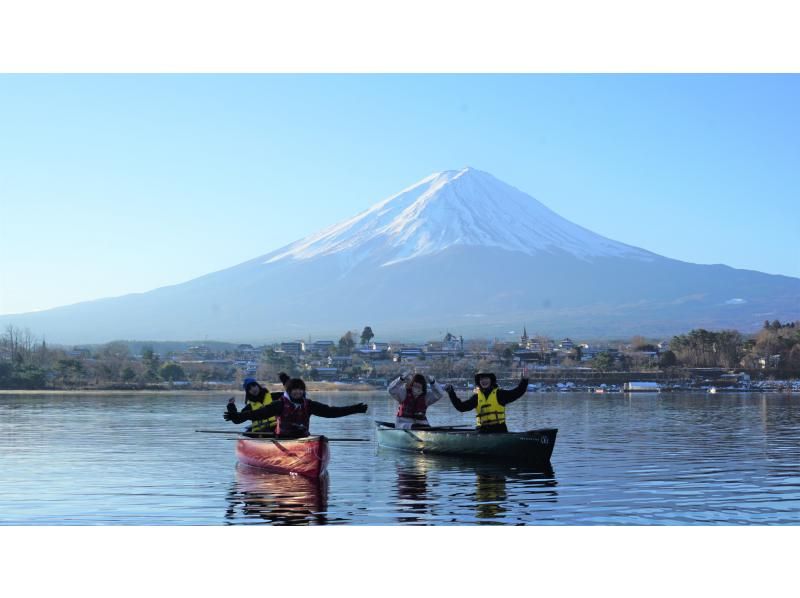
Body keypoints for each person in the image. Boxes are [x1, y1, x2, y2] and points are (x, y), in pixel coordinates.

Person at [224, 377, 368, 438]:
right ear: (290, 392)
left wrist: (354, 409)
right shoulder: (279, 404)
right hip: (281, 439)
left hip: (301, 438)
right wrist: (235, 414)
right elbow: (258, 414)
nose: (298, 392)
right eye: (295, 389)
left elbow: (330, 412)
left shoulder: (309, 404)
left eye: (300, 389)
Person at [445, 372, 529, 433]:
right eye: (481, 379)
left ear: (491, 380)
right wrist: (451, 393)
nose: (484, 381)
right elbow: (461, 407)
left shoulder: (500, 394)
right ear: (479, 382)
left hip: (499, 430)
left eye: (486, 378)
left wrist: (524, 380)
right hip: (482, 431)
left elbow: (517, 392)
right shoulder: (476, 397)